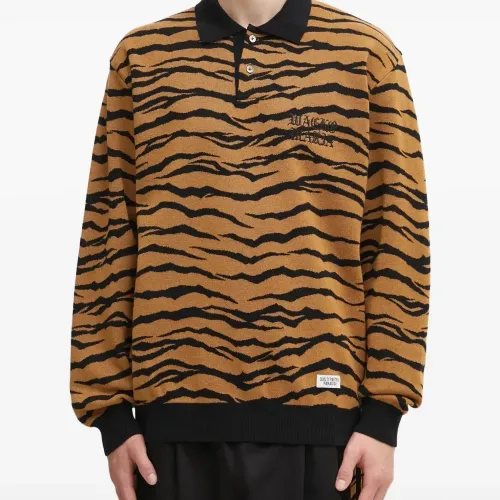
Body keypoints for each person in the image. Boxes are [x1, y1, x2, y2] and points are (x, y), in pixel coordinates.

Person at [69, 0, 431, 498]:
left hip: (324, 420)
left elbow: (399, 238)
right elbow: (109, 235)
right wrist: (110, 414)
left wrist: (384, 416)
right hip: (168, 425)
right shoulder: (141, 58)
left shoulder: (366, 56)